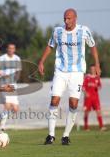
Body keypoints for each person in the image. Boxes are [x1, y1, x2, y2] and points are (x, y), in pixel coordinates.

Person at [38, 8, 101, 145]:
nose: (66, 21)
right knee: (54, 100)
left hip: (77, 72)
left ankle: (66, 136)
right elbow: (50, 46)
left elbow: (93, 46)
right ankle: (50, 135)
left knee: (73, 103)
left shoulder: (84, 31)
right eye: (65, 19)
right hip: (60, 71)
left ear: (75, 18)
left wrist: (97, 64)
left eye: (69, 18)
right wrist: (41, 61)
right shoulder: (57, 31)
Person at [0, 43, 22, 130]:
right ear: (7, 49)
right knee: (8, 105)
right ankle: (2, 126)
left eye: (13, 48)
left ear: (15, 49)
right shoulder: (2, 58)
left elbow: (18, 71)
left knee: (15, 109)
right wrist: (1, 74)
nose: (11, 50)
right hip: (4, 85)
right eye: (9, 48)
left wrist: (15, 79)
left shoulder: (17, 59)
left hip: (13, 85)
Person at [83, 64, 106, 131]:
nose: (92, 70)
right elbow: (83, 87)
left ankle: (101, 126)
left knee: (98, 111)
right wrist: (85, 93)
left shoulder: (97, 78)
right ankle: (86, 127)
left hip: (95, 98)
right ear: (90, 70)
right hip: (88, 98)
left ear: (95, 69)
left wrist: (98, 87)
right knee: (86, 112)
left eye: (94, 69)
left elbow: (99, 86)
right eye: (91, 69)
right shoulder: (87, 77)